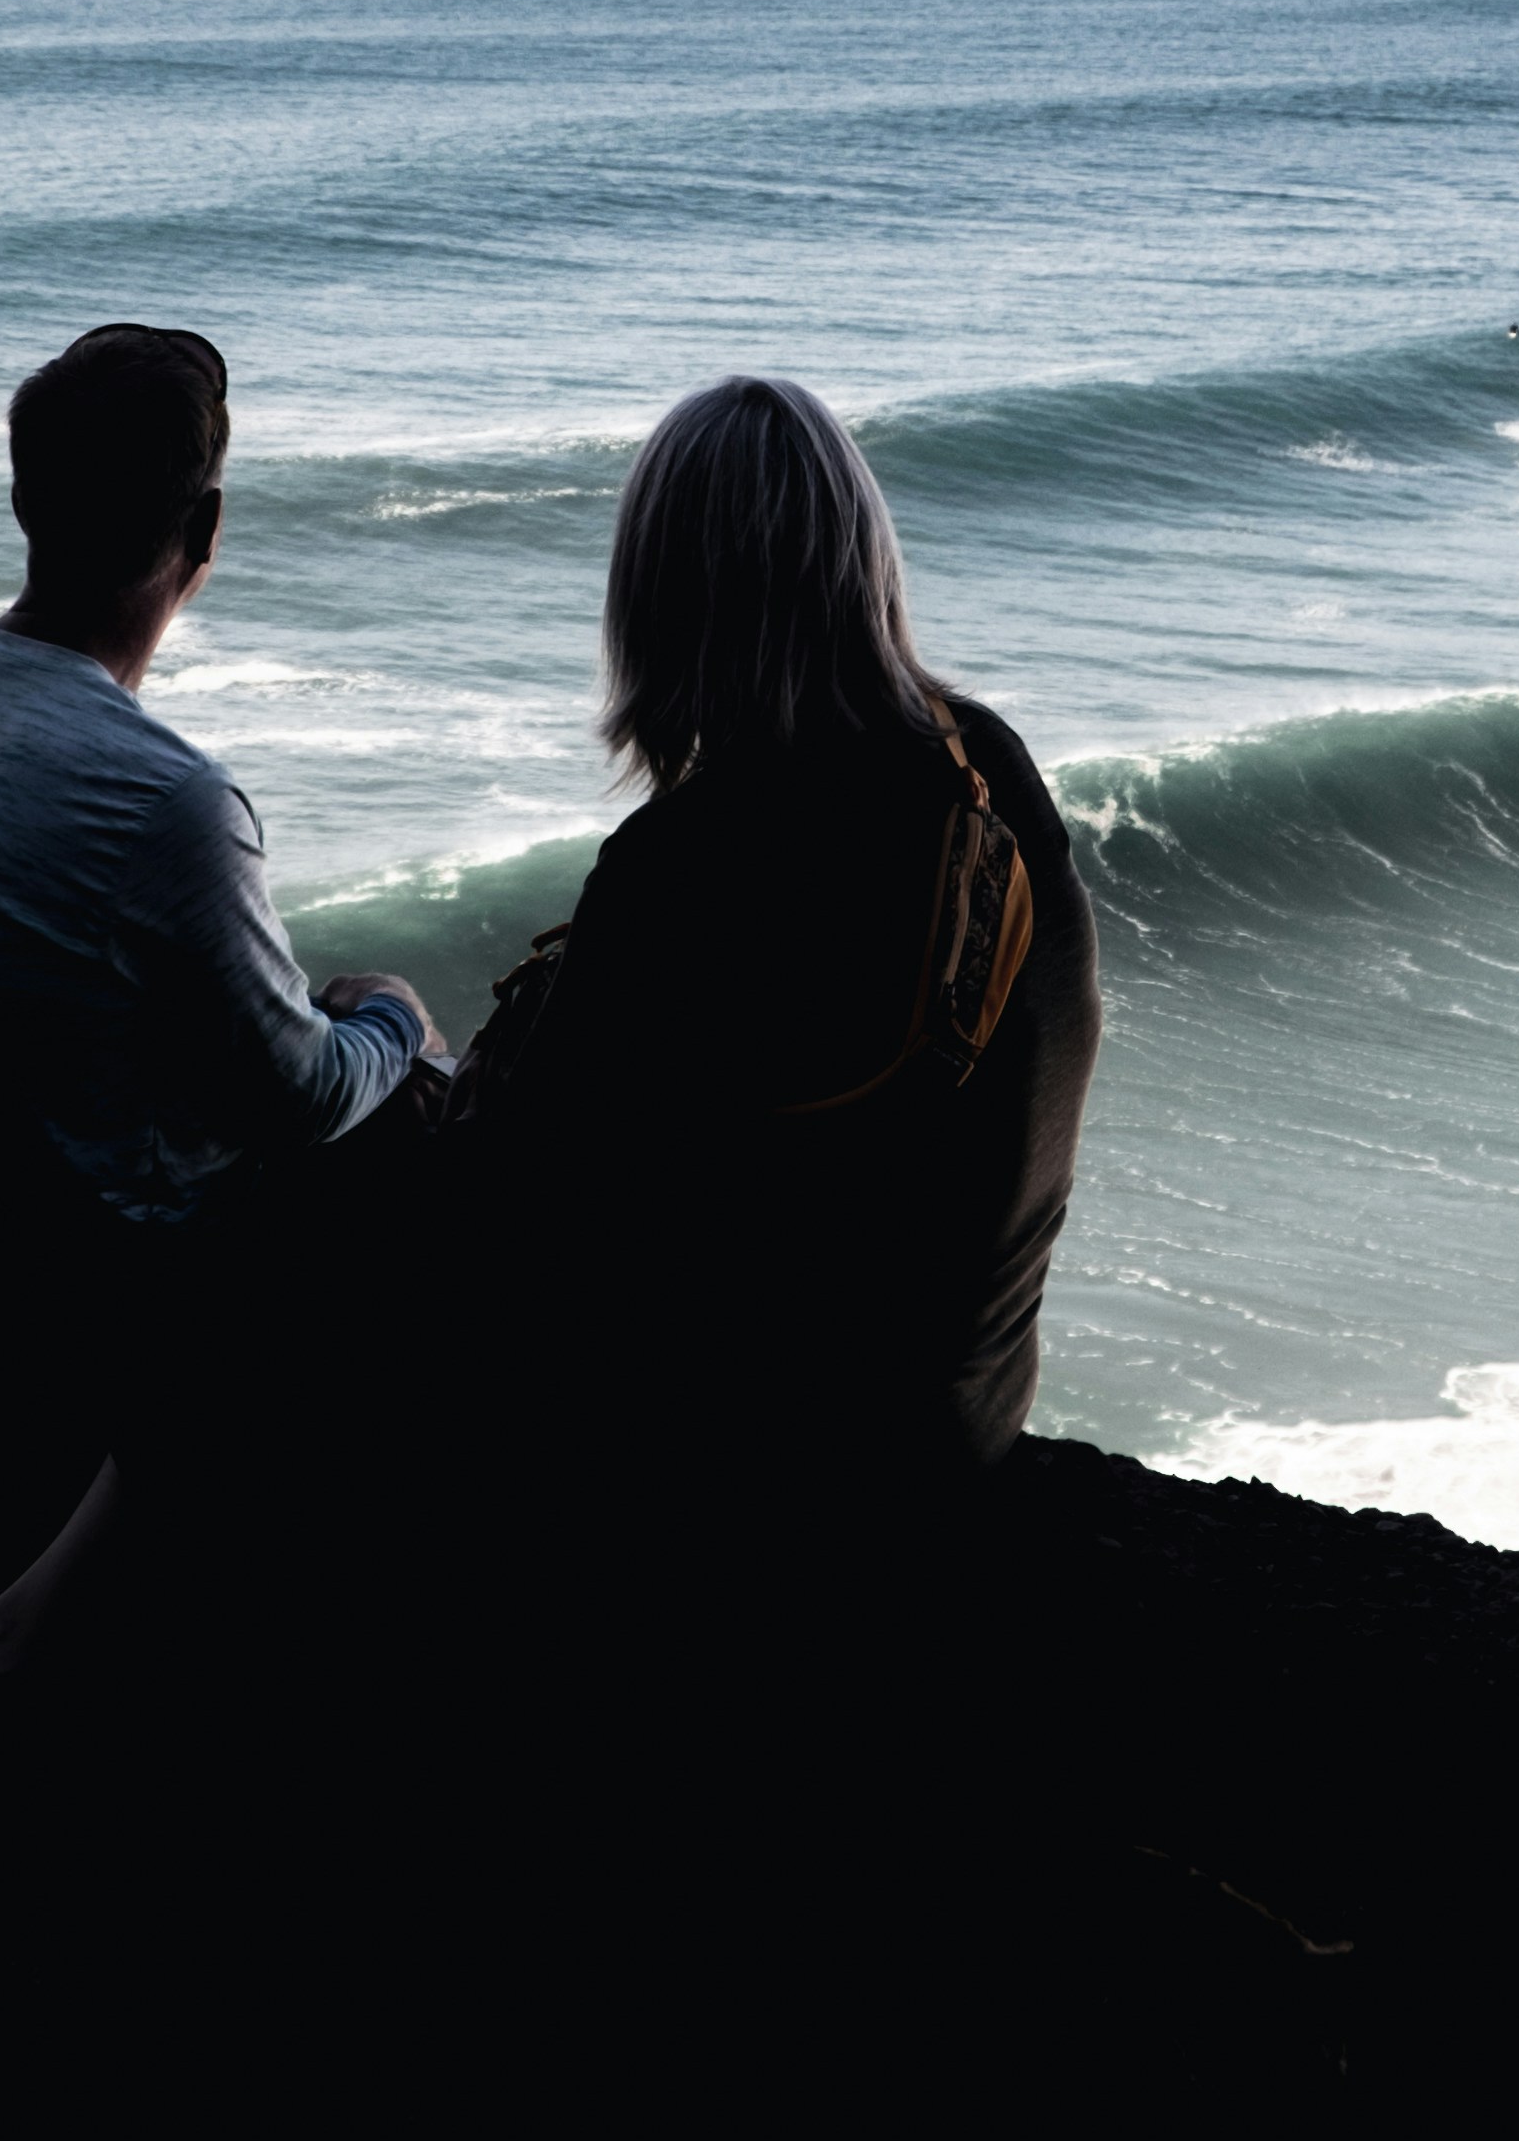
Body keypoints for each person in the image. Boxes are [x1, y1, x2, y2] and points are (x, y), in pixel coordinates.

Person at [0, 326, 443, 1534]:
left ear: (27, 504)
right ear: (204, 535)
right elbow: (300, 1101)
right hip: (83, 1305)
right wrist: (396, 1014)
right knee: (407, 1100)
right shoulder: (165, 799)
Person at [449, 375, 1098, 1513]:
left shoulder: (687, 859)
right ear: (865, 559)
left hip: (784, 1445)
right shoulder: (984, 765)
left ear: (659, 595)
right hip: (972, 1401)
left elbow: (521, 1196)